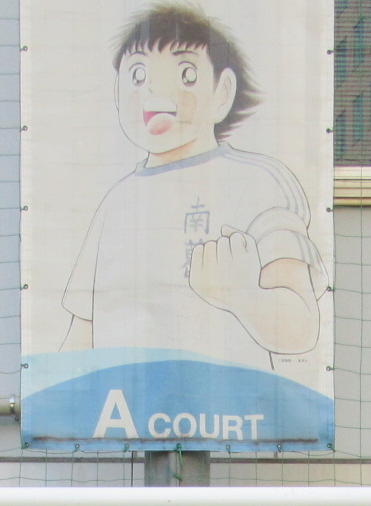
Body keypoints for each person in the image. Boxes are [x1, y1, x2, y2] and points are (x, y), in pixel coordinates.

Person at [62, 4, 323, 367]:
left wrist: (243, 295)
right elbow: (80, 336)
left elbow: (302, 328)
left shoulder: (259, 183)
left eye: (186, 74)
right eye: (138, 75)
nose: (155, 92)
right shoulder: (116, 202)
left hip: (229, 402)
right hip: (126, 400)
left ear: (222, 92)